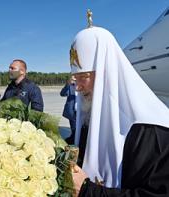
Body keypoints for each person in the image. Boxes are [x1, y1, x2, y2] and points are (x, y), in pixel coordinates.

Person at [69, 23, 169, 195]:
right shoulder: (91, 115)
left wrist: (88, 191)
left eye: (83, 77)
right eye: (74, 78)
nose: (77, 87)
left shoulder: (152, 131)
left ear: (107, 73)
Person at [60, 77, 76, 144]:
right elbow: (62, 94)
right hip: (72, 113)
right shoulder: (70, 85)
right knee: (74, 131)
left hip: (83, 113)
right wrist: (67, 84)